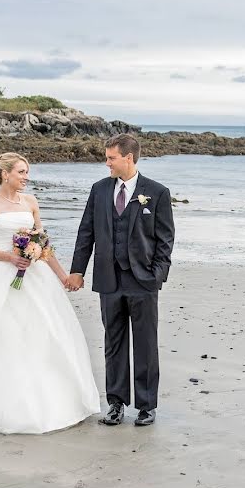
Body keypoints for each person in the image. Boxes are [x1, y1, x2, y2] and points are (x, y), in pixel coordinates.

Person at [0, 152, 100, 434]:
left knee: (41, 333)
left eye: (27, 172)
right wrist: (10, 258)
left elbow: (43, 244)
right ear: (5, 174)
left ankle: (47, 399)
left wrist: (64, 276)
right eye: (22, 172)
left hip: (34, 278)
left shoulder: (31, 202)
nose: (26, 177)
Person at [66, 134, 175, 427]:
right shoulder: (99, 190)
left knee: (145, 344)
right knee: (113, 343)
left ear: (128, 158)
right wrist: (78, 270)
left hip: (143, 281)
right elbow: (85, 232)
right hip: (108, 279)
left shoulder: (157, 192)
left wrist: (157, 276)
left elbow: (165, 241)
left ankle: (146, 405)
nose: (107, 163)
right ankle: (115, 403)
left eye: (111, 158)